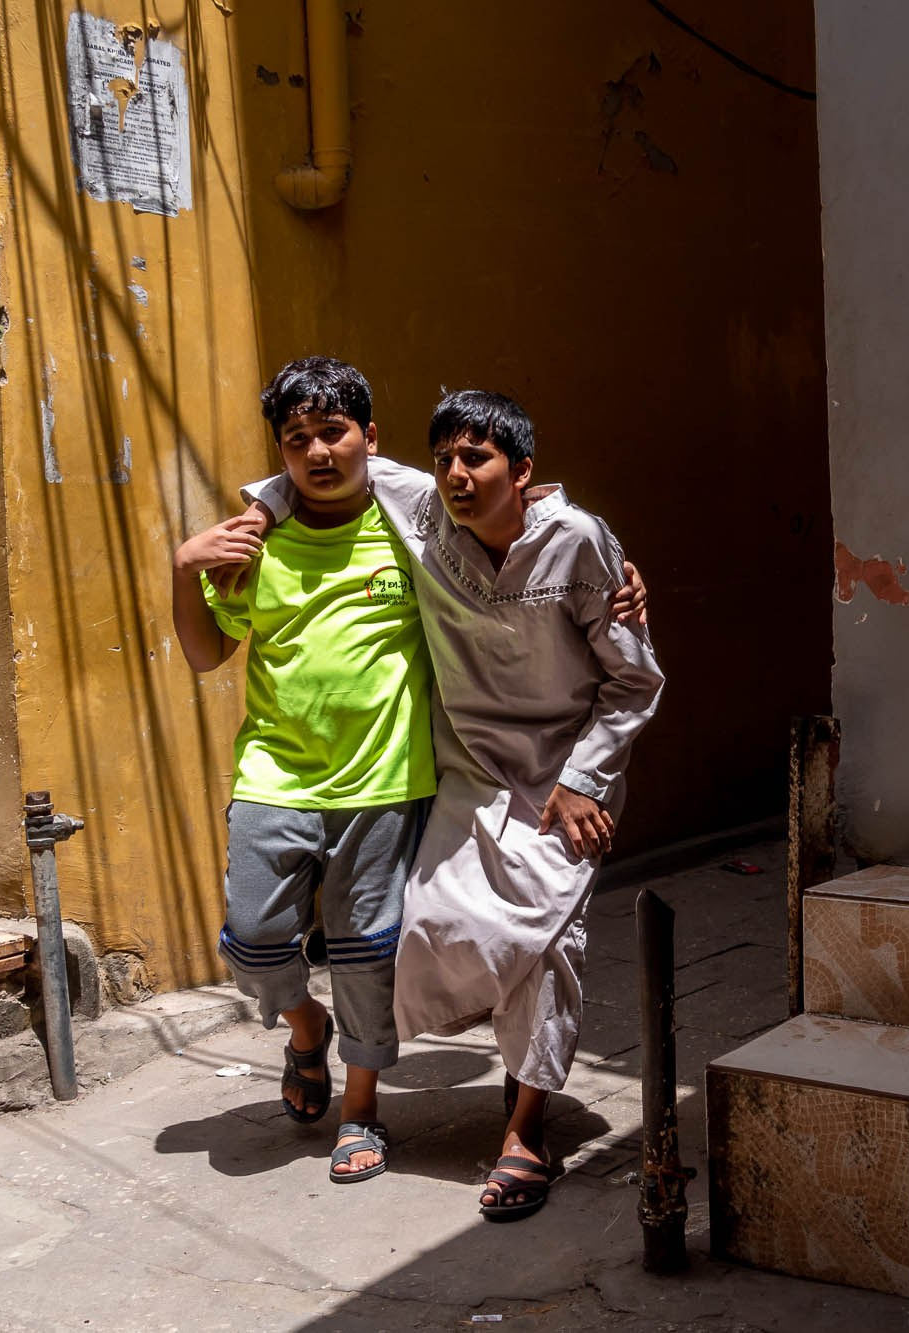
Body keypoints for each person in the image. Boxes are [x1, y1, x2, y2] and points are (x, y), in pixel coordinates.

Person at [240, 389, 664, 1221]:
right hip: (469, 768)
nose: (457, 475)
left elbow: (634, 678)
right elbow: (320, 467)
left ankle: (527, 1128)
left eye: (478, 458)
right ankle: (496, 1062)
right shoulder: (425, 509)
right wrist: (254, 515)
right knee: (428, 925)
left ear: (525, 470)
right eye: (445, 459)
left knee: (548, 946)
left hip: (562, 774)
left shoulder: (578, 541)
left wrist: (585, 777)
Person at [170, 357, 430, 1186]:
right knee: (251, 936)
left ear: (369, 437)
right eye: (297, 439)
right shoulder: (259, 540)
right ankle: (303, 1022)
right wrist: (186, 566)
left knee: (366, 954)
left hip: (385, 780)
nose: (318, 452)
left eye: (333, 432)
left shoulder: (415, 529)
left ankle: (361, 1109)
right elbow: (208, 652)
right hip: (275, 776)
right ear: (281, 451)